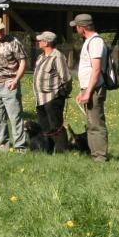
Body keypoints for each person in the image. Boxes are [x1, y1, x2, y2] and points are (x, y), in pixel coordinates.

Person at [0, 17, 28, 151]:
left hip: (10, 83)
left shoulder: (13, 42)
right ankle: (2, 146)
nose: (1, 31)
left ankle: (20, 146)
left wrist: (16, 80)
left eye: (2, 29)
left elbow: (23, 61)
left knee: (15, 117)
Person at [72, 13, 109, 161]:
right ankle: (95, 154)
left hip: (94, 89)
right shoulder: (89, 41)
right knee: (91, 124)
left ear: (82, 27)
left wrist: (88, 92)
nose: (75, 30)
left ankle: (100, 156)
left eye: (76, 27)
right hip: (89, 88)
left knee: (96, 124)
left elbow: (96, 69)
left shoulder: (95, 42)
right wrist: (83, 91)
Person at [32, 30, 69, 150]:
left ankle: (61, 151)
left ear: (47, 42)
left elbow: (66, 77)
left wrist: (63, 94)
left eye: (41, 40)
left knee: (56, 126)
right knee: (44, 126)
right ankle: (47, 149)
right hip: (40, 98)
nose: (39, 42)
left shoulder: (57, 56)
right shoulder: (41, 57)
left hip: (53, 98)